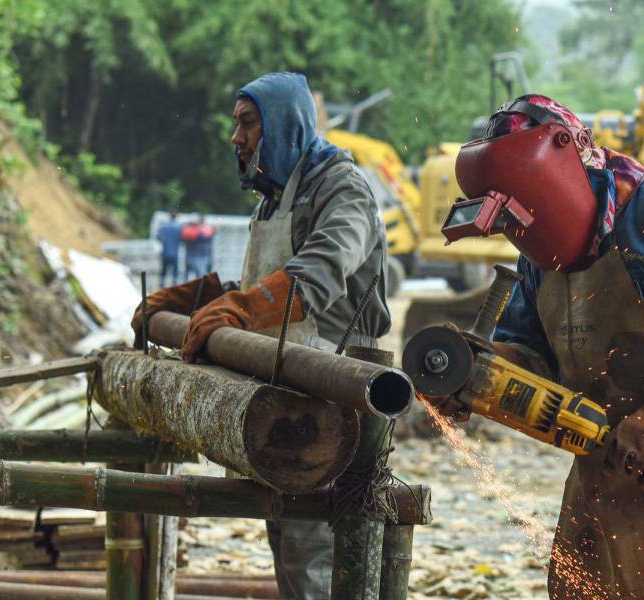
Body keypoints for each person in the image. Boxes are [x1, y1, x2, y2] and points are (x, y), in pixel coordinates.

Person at [426, 95, 644, 599]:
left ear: (562, 165)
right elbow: (536, 359)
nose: (522, 237)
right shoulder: (537, 250)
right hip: (610, 453)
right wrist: (477, 375)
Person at [131, 72, 391, 599]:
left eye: (248, 123)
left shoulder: (342, 189)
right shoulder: (273, 199)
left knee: (323, 558)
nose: (236, 137)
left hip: (338, 402)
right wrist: (199, 298)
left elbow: (315, 276)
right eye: (236, 124)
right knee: (292, 551)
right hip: (289, 400)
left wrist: (238, 307)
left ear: (283, 125)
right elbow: (259, 290)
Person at [180, 214, 215, 280]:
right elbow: (206, 236)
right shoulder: (203, 231)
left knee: (187, 279)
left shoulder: (186, 230)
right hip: (201, 258)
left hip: (189, 258)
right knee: (201, 279)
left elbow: (182, 239)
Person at [156, 210, 183, 286]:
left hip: (165, 252)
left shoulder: (164, 226)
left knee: (163, 272)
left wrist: (164, 241)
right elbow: (182, 238)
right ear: (176, 216)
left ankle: (161, 288)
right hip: (175, 253)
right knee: (175, 274)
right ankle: (174, 288)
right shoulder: (179, 227)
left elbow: (158, 236)